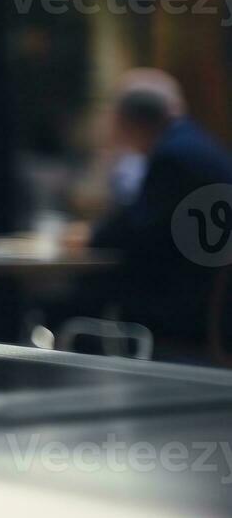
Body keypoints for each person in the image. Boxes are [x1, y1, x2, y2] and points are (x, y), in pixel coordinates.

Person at [70, 70, 232, 353]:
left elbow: (136, 231)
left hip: (187, 301)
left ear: (128, 123)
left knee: (76, 299)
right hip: (208, 291)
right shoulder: (192, 143)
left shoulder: (172, 157)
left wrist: (91, 235)